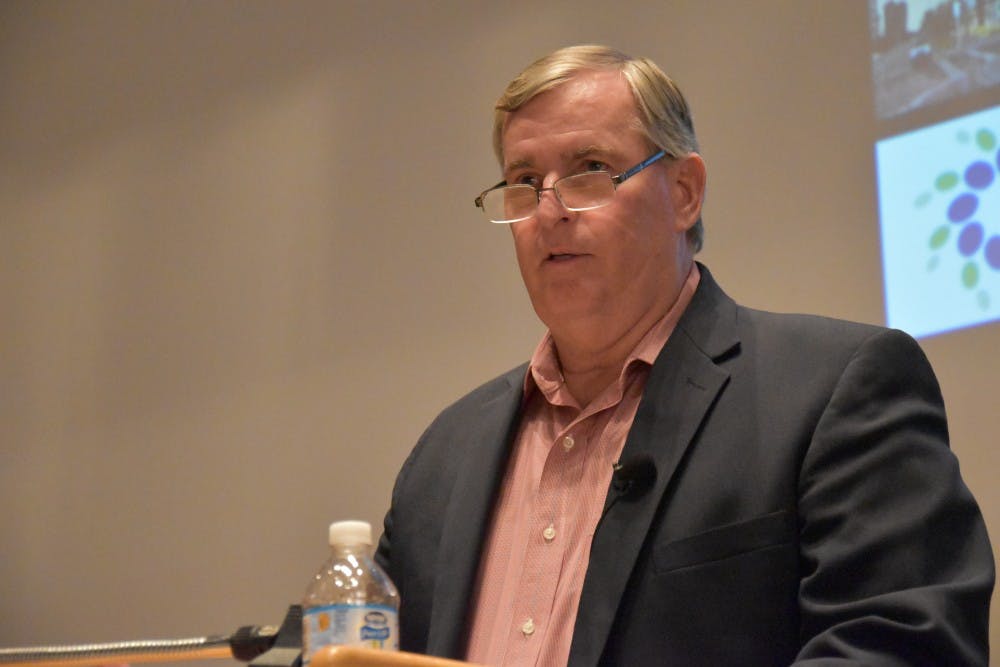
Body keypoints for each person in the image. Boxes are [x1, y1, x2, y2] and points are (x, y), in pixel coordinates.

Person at [374, 45, 994, 666]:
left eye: (590, 168)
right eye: (523, 183)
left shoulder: (835, 389)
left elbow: (904, 649)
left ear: (685, 192)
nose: (549, 210)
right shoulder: (444, 457)